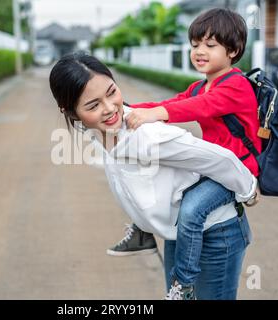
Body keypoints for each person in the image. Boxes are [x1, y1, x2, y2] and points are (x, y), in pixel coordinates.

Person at [49, 52, 257, 299]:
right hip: (179, 234)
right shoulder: (101, 134)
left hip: (216, 233)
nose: (109, 108)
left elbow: (220, 159)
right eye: (93, 105)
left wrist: (248, 189)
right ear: (71, 112)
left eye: (112, 92)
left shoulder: (146, 137)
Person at [107, 8, 262, 297]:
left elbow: (196, 108)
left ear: (234, 50)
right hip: (212, 167)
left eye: (210, 45)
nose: (199, 51)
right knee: (164, 195)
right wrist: (125, 110)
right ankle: (143, 233)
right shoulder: (201, 85)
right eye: (194, 45)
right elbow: (175, 101)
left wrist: (156, 114)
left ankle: (184, 283)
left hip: (236, 170)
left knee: (192, 210)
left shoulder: (236, 86)